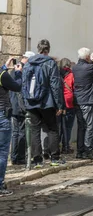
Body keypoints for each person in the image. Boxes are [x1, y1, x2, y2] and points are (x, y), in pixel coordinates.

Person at [22, 39, 65, 168]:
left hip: (31, 102)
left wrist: (25, 102)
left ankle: (37, 160)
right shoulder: (50, 63)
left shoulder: (28, 63)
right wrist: (59, 105)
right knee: (52, 129)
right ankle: (54, 158)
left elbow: (24, 84)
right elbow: (55, 85)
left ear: (38, 48)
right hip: (47, 102)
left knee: (35, 130)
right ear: (48, 50)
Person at [0, 56, 23, 196]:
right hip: (2, 116)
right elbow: (17, 86)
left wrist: (5, 66)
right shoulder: (3, 75)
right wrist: (18, 72)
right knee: (2, 152)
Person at [9, 51, 34, 166]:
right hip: (20, 106)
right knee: (22, 132)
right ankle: (20, 157)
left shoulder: (14, 69)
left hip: (13, 105)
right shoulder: (22, 70)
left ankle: (14, 157)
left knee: (15, 132)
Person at [58, 58, 76, 154]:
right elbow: (74, 88)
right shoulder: (71, 75)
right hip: (69, 104)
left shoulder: (57, 73)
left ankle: (57, 146)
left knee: (59, 127)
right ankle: (66, 146)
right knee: (68, 127)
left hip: (59, 104)